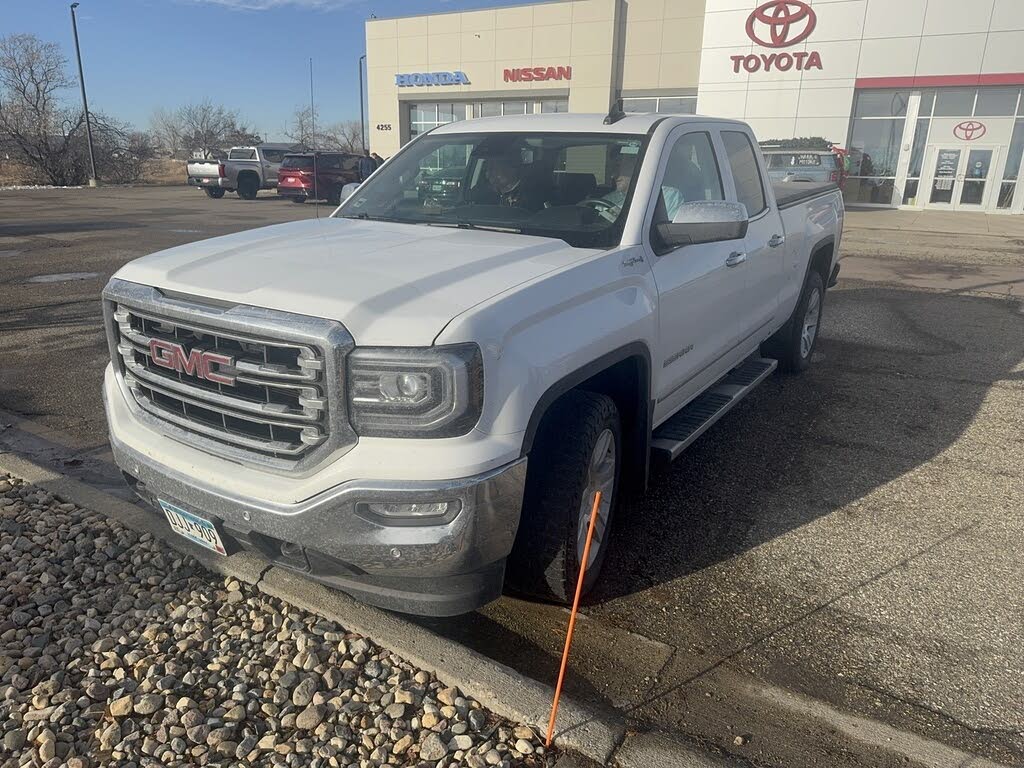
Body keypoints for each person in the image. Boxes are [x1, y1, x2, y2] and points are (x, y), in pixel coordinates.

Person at [470, 152, 547, 211]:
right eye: (487, 168)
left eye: (494, 168)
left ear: (512, 168)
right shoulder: (481, 192)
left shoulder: (531, 195)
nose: (488, 174)